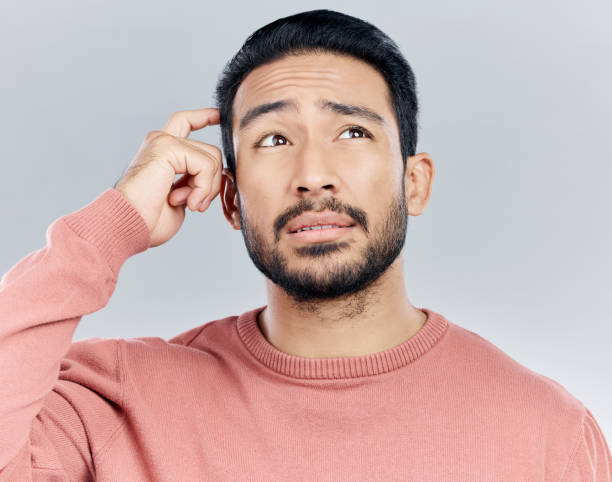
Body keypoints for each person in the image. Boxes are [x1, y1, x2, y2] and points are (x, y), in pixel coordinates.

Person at [0, 8, 609, 481]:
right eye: (272, 139)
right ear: (232, 201)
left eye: (351, 131)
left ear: (414, 181)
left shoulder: (547, 433)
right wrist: (109, 229)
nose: (313, 174)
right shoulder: (117, 402)